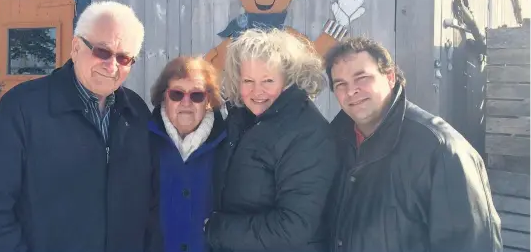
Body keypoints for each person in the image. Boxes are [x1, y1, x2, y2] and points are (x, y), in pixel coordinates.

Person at [0, 1, 162, 252]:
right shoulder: (24, 108)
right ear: (76, 47)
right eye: (102, 51)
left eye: (123, 58)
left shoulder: (137, 113)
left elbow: (152, 205)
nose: (112, 66)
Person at [323, 37, 502, 252]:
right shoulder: (332, 143)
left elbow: (471, 243)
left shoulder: (441, 149)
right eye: (340, 84)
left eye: (362, 78)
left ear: (389, 77)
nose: (351, 91)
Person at [204, 28, 338, 252]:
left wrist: (215, 230)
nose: (257, 91)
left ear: (288, 79)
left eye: (268, 80)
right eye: (248, 80)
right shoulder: (242, 118)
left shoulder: (307, 133)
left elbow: (292, 228)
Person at [148, 56, 227, 252]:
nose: (186, 102)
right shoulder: (143, 141)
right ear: (163, 97)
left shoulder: (228, 144)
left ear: (208, 100)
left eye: (196, 95)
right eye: (176, 94)